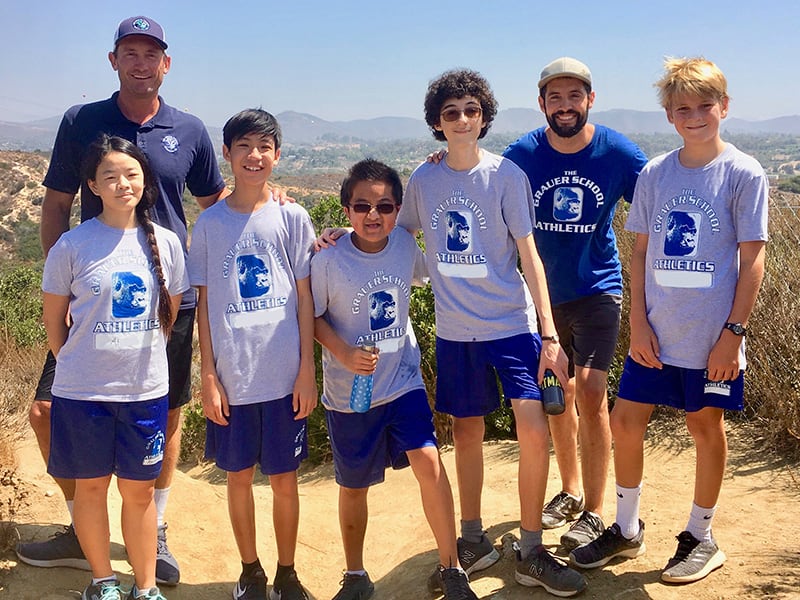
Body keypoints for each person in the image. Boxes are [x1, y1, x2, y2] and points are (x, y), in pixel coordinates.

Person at [16, 15, 227, 586]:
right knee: (46, 411)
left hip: (166, 297)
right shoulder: (82, 121)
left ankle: (153, 532)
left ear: (166, 63)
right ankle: (79, 525)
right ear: (114, 61)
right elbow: (56, 203)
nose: (140, 63)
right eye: (129, 53)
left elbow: (215, 204)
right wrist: (68, 279)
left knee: (166, 413)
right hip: (92, 300)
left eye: (150, 53)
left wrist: (272, 202)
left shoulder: (190, 129)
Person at [569, 57, 768, 584]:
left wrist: (734, 334)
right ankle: (627, 529)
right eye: (683, 108)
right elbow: (639, 253)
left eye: (705, 105)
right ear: (669, 116)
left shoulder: (743, 172)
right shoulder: (656, 173)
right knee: (625, 422)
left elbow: (752, 259)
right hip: (655, 335)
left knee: (704, 426)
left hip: (712, 340)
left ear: (724, 107)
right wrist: (639, 320)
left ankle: (701, 536)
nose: (695, 115)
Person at [399, 69, 585, 597]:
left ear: (484, 116)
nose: (462, 119)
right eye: (451, 112)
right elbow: (398, 234)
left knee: (532, 426)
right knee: (466, 433)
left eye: (471, 111)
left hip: (511, 324)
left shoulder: (505, 176)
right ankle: (473, 539)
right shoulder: (424, 178)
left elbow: (530, 257)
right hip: (457, 330)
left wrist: (549, 336)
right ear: (438, 121)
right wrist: (344, 235)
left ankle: (529, 547)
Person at [311, 159, 478, 600]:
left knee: (427, 459)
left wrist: (439, 163)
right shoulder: (328, 259)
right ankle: (355, 575)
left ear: (398, 209)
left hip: (401, 379)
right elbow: (310, 318)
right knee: (353, 486)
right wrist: (343, 353)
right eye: (362, 205)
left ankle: (452, 567)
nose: (373, 215)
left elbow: (434, 271)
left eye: (384, 206)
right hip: (349, 395)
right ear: (345, 208)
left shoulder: (405, 245)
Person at [503, 57, 648, 552]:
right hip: (541, 297)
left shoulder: (617, 153)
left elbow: (657, 196)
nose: (565, 106)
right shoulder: (522, 153)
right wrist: (439, 162)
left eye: (574, 96)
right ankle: (568, 490)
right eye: (555, 98)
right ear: (542, 103)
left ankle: (594, 509)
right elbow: (480, 183)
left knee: (588, 390)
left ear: (590, 99)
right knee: (556, 394)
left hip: (597, 289)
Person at [42, 135, 187, 600]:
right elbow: (54, 323)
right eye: (110, 176)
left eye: (132, 174)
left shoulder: (166, 242)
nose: (123, 184)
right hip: (83, 392)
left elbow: (172, 308)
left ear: (146, 182)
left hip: (144, 390)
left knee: (140, 493)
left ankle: (145, 588)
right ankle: (102, 581)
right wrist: (77, 364)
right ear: (92, 185)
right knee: (90, 489)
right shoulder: (72, 245)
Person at [188, 108, 316, 600]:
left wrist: (307, 370)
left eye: (264, 147)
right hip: (233, 380)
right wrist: (209, 376)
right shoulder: (210, 225)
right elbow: (203, 305)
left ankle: (287, 573)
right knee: (237, 479)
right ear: (227, 154)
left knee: (285, 481)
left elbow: (305, 298)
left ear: (278, 155)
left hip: (285, 378)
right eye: (244, 146)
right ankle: (251, 572)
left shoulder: (292, 217)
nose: (254, 156)